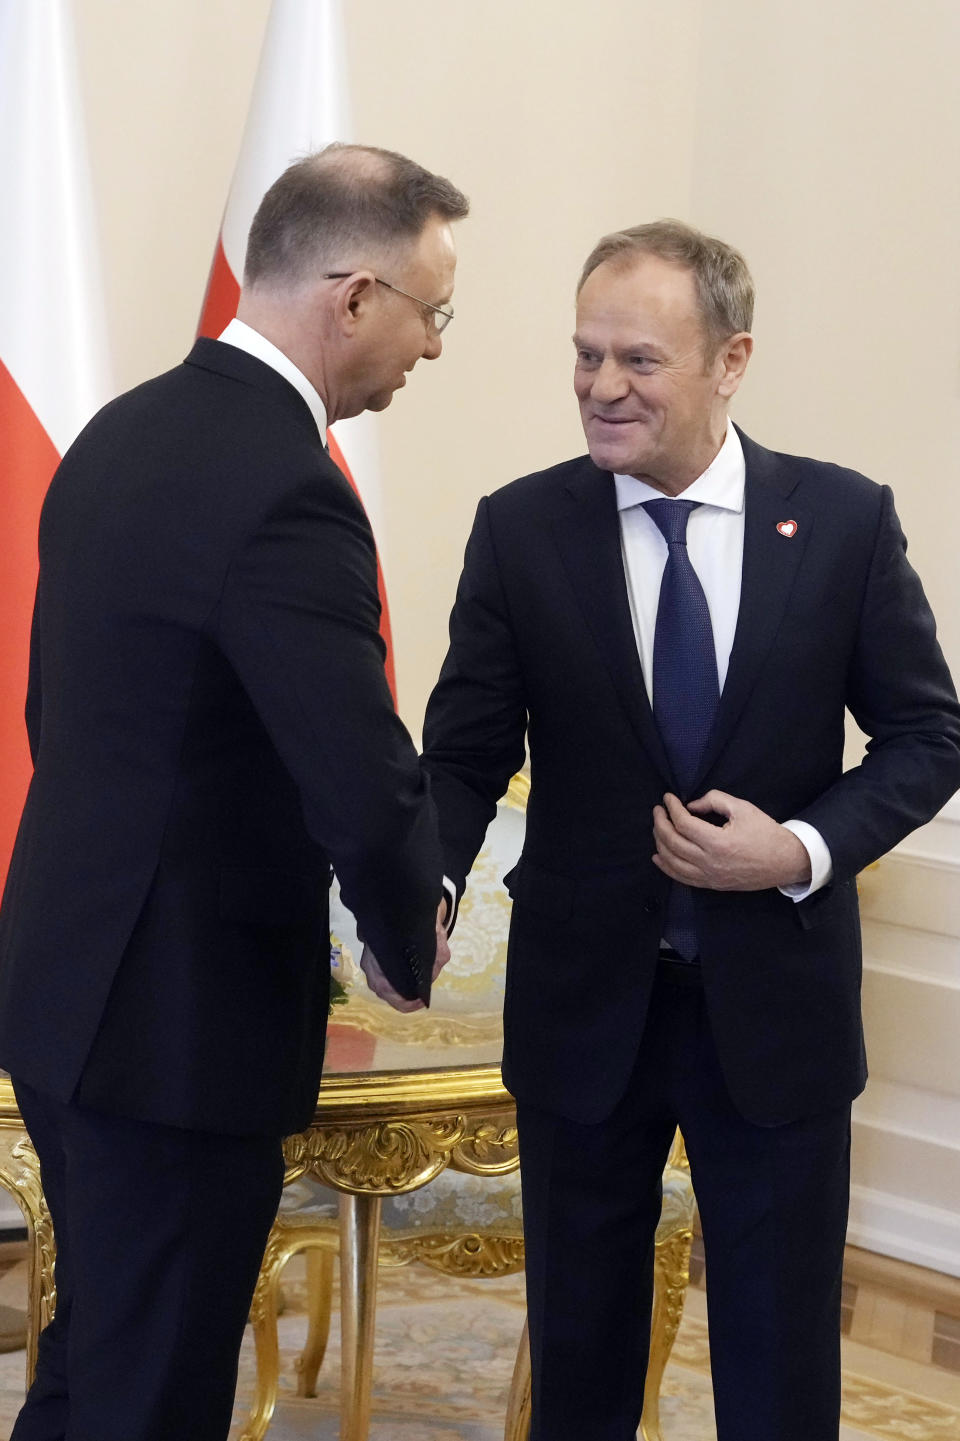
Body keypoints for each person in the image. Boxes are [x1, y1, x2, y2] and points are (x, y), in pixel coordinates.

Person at [417, 221, 960, 1440]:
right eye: (585, 354)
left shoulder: (842, 523)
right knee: (583, 1356)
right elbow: (463, 755)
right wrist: (427, 882)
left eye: (639, 361)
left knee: (777, 1367)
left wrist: (802, 848)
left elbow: (930, 737)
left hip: (775, 1011)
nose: (601, 386)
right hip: (585, 1011)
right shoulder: (522, 529)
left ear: (732, 360)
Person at [0, 143, 468, 1441]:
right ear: (355, 294)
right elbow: (355, 771)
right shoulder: (284, 491)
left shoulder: (118, 434)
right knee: (152, 1395)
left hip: (65, 982)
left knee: (94, 1367)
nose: (433, 346)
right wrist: (405, 922)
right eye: (433, 310)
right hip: (178, 1024)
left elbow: (66, 716)